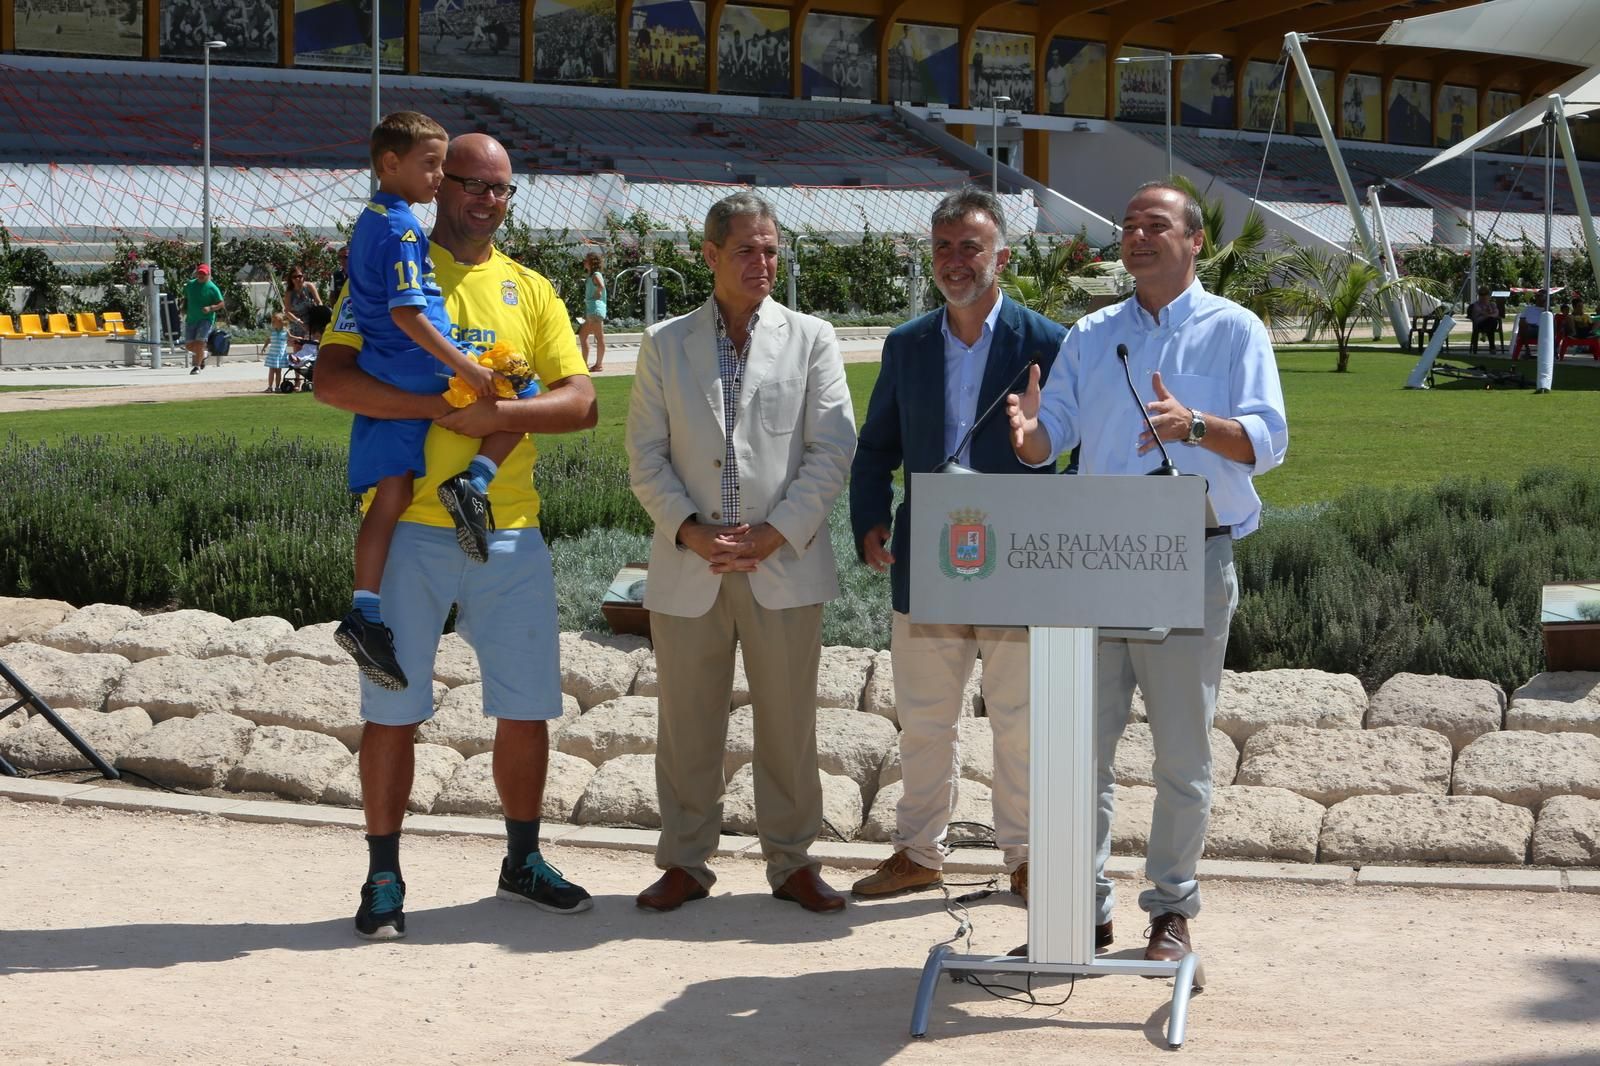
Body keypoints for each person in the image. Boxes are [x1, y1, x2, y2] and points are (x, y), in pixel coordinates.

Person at [316, 131, 598, 941]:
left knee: (526, 708)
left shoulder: (530, 288)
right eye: (471, 181)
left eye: (501, 187)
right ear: (439, 185)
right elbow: (330, 379)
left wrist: (495, 417)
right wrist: (439, 410)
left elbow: (581, 403)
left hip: (509, 529)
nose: (486, 198)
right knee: (393, 709)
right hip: (412, 530)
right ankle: (381, 875)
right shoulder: (393, 264)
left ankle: (521, 860)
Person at [1006, 181, 1288, 962]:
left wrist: (1195, 425)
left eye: (1153, 225)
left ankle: (1170, 911)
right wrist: (1031, 437)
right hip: (1092, 559)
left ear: (1195, 240)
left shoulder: (1235, 331)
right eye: (1128, 225)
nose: (1135, 235)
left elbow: (1270, 439)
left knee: (1181, 756)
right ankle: (1079, 909)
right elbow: (1051, 435)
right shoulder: (1093, 333)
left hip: (1189, 555)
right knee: (1077, 751)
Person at [625, 192, 856, 915]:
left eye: (771, 249)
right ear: (711, 255)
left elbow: (831, 448)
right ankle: (686, 862)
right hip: (691, 563)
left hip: (780, 564)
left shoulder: (812, 338)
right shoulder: (665, 343)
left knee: (790, 725)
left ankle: (791, 862)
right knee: (686, 725)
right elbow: (645, 455)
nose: (763, 262)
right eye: (748, 249)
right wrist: (690, 530)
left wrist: (775, 532)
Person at [848, 187, 1065, 904]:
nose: (954, 260)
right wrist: (870, 516)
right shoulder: (907, 344)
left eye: (970, 246)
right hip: (927, 557)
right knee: (925, 719)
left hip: (1018, 559)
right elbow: (875, 446)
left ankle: (1028, 859)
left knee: (1020, 722)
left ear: (1002, 256)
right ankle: (918, 852)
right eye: (943, 246)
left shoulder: (1048, 343)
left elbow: (1077, 447)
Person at [333, 111, 520, 695]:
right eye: (432, 165)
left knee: (389, 493)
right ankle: (476, 483)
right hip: (416, 365)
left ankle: (365, 612)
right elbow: (406, 311)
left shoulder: (369, 220)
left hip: (387, 369)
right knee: (519, 388)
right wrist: (464, 366)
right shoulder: (404, 231)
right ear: (391, 164)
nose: (440, 177)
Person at [182, 263, 224, 375]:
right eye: (199, 273)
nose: (201, 275)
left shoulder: (212, 288)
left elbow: (221, 304)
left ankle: (196, 367)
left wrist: (210, 308)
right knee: (189, 345)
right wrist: (183, 309)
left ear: (208, 275)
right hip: (191, 318)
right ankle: (203, 355)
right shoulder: (190, 285)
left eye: (203, 274)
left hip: (206, 319)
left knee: (200, 342)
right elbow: (186, 298)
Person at [579, 251, 607, 372]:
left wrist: (598, 292)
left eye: (586, 260)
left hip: (594, 310)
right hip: (594, 310)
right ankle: (594, 364)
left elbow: (601, 286)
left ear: (591, 262)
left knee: (588, 336)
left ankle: (591, 364)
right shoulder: (592, 275)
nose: (584, 262)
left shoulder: (595, 274)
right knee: (592, 337)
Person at [283, 265, 323, 346]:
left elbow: (319, 302)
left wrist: (319, 315)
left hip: (312, 322)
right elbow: (287, 311)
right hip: (297, 323)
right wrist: (300, 323)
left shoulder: (309, 286)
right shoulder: (289, 292)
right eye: (294, 277)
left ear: (303, 276)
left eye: (299, 276)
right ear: (291, 279)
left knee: (314, 348)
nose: (298, 279)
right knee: (298, 351)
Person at [1466, 285, 1501, 355]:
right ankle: (1492, 347)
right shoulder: (1475, 305)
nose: (1483, 297)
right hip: (1479, 324)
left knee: (1492, 321)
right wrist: (1489, 314)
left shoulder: (1492, 304)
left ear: (1488, 295)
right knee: (1491, 323)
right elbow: (1480, 314)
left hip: (1490, 323)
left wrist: (1488, 315)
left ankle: (1484, 334)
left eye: (1485, 294)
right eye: (1481, 294)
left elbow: (1496, 314)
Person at [263, 311, 290, 392]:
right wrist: (264, 347)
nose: (273, 323)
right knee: (271, 370)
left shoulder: (285, 332)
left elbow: (291, 337)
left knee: (278, 371)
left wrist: (298, 338)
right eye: (273, 321)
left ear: (281, 322)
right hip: (273, 354)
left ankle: (277, 387)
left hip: (280, 355)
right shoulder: (273, 332)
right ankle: (270, 387)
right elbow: (268, 339)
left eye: (275, 321)